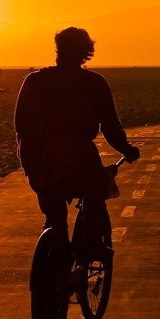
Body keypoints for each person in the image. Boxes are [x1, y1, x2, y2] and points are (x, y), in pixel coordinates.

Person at [14, 26, 141, 249]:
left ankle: (55, 252)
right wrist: (126, 150)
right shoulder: (94, 83)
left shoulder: (35, 81)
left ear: (58, 49)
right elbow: (110, 126)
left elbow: (21, 125)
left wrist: (30, 161)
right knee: (94, 198)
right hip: (80, 157)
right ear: (87, 52)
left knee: (54, 216)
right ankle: (92, 246)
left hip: (40, 160)